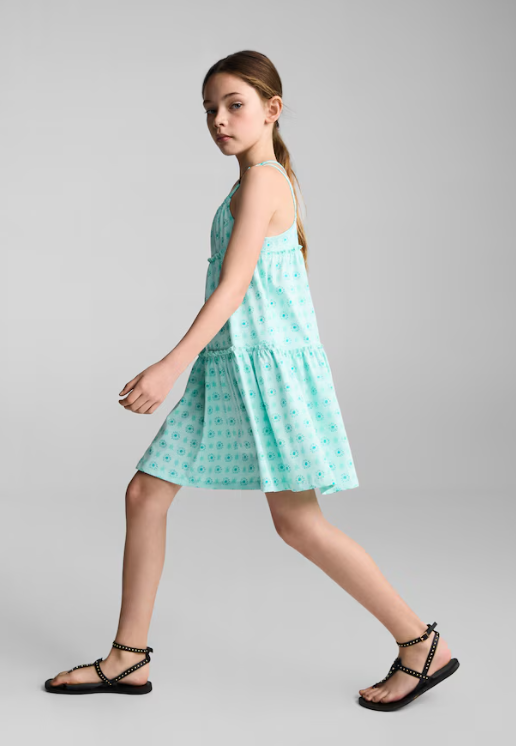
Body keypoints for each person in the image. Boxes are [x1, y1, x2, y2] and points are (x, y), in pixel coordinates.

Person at [45, 50, 459, 709]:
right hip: (228, 371)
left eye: (234, 105)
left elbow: (234, 289)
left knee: (298, 524)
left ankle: (420, 644)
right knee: (145, 495)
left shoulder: (265, 181)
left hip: (266, 374)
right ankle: (127, 659)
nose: (219, 119)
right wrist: (196, 366)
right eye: (210, 109)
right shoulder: (251, 184)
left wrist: (171, 364)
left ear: (272, 109)